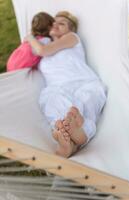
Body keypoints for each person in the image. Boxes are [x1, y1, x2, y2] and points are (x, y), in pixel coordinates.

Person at [26, 11, 107, 158]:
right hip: (57, 87)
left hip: (83, 82)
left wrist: (29, 37)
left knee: (86, 100)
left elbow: (42, 51)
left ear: (70, 29)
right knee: (53, 101)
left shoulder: (71, 38)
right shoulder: (43, 42)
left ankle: (78, 131)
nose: (55, 25)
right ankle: (70, 142)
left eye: (61, 23)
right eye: (53, 22)